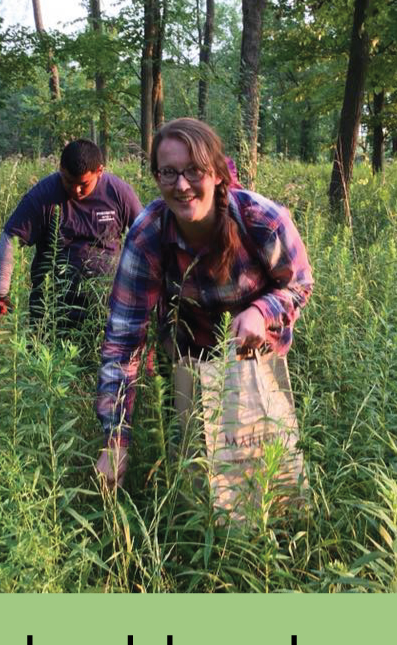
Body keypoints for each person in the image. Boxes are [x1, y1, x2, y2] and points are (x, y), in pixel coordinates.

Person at [95, 118, 313, 487]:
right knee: (196, 481)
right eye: (169, 173)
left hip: (256, 358)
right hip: (189, 363)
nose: (181, 186)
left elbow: (299, 284)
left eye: (194, 171)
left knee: (266, 475)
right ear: (156, 177)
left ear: (216, 174)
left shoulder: (261, 219)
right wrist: (116, 440)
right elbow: (123, 340)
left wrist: (262, 311)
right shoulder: (147, 235)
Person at [0, 139, 142, 333]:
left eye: (83, 184)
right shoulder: (42, 195)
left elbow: (145, 239)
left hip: (106, 307)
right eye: (68, 181)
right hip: (51, 309)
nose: (75, 190)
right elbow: (11, 239)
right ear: (60, 168)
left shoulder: (119, 193)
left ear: (99, 171)